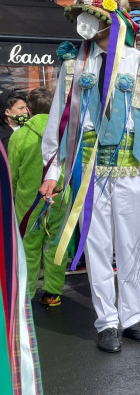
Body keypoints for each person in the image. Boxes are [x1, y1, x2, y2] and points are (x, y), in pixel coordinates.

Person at [40, 0, 140, 353]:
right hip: (89, 168)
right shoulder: (73, 65)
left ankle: (132, 317)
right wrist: (53, 173)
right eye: (84, 18)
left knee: (130, 246)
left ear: (112, 22)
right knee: (97, 246)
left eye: (95, 19)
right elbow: (59, 123)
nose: (87, 25)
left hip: (130, 166)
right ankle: (107, 322)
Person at [8, 88, 69, 306]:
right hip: (61, 195)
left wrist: (16, 195)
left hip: (29, 200)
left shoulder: (20, 136)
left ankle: (25, 295)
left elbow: (12, 172)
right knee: (55, 244)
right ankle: (53, 292)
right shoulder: (65, 133)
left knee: (28, 247)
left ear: (30, 109)